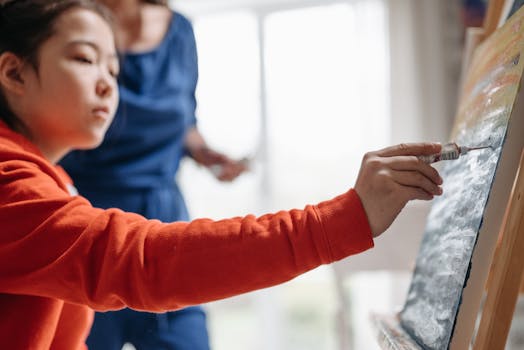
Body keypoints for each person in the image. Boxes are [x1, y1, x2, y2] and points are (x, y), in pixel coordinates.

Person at [0, 0, 443, 349]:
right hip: (109, 220)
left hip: (151, 212)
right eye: (83, 59)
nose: (108, 84)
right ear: (13, 72)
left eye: (114, 68)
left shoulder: (49, 177)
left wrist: (209, 156)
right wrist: (344, 219)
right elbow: (142, 260)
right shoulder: (12, 180)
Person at [58, 0, 246, 348]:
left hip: (165, 221)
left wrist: (204, 153)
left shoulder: (180, 32)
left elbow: (186, 118)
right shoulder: (73, 22)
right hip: (87, 222)